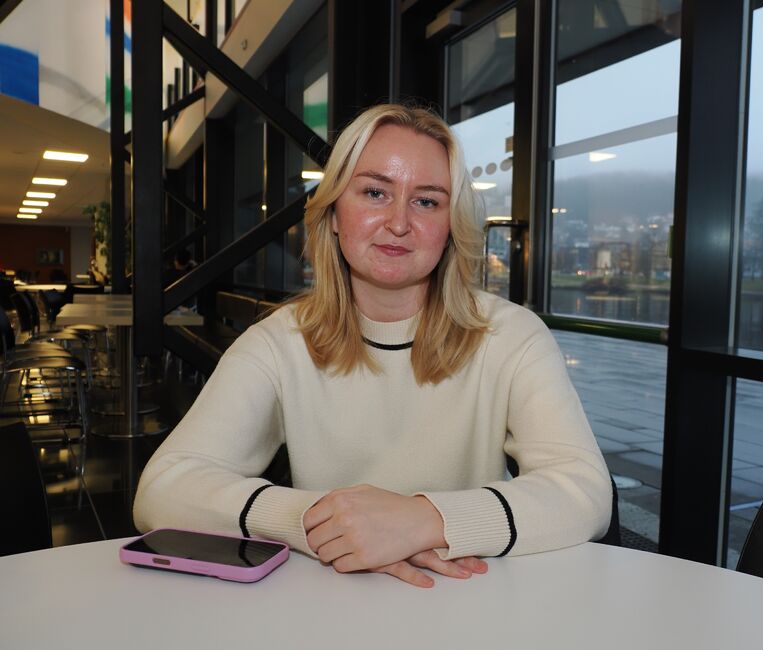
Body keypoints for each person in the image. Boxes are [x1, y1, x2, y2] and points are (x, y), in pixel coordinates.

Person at [133, 103, 611, 587]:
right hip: (328, 603)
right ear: (335, 212)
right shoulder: (279, 343)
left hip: (471, 599)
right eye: (375, 192)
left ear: (450, 226)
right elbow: (161, 490)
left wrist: (426, 520)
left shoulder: (511, 336)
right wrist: (325, 521)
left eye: (426, 201)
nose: (399, 222)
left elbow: (586, 491)